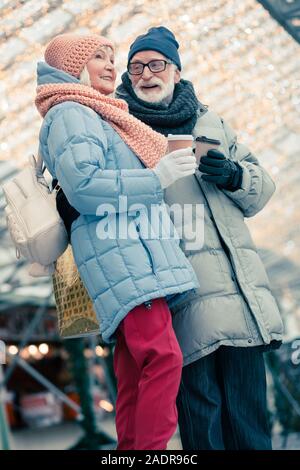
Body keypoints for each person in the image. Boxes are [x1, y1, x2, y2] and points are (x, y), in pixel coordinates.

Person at [115, 26, 284, 450]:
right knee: (202, 426)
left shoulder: (212, 122)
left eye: (156, 64)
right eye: (136, 67)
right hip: (182, 303)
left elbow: (261, 189)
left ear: (176, 71)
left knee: (250, 425)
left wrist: (233, 175)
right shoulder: (120, 129)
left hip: (239, 299)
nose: (146, 74)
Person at [35, 33, 199, 450]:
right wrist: (156, 178)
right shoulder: (73, 112)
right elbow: (84, 187)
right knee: (163, 358)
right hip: (126, 260)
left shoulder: (99, 113)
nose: (111, 66)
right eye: (97, 57)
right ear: (73, 68)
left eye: (112, 57)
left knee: (133, 375)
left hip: (129, 258)